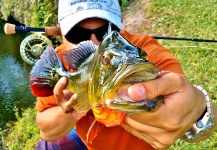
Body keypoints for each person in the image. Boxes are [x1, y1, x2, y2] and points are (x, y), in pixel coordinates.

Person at [35, 0, 217, 149]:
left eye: (106, 32)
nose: (95, 43)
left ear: (120, 24)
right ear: (60, 31)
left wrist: (198, 109)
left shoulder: (143, 52)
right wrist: (74, 108)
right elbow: (46, 130)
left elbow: (185, 101)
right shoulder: (60, 63)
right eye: (78, 34)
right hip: (84, 140)